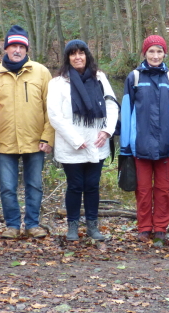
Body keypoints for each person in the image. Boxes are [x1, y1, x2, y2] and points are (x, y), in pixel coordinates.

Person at [0, 25, 54, 239]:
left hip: (35, 141)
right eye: (13, 46)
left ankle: (32, 224)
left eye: (21, 46)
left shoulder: (41, 72)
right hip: (4, 143)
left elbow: (51, 109)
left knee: (35, 185)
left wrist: (48, 137)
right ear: (6, 49)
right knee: (7, 187)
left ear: (27, 49)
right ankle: (12, 225)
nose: (17, 50)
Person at [48, 40, 119, 241]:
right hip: (71, 145)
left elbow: (112, 106)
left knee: (92, 186)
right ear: (67, 58)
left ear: (87, 55)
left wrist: (106, 131)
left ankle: (92, 226)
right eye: (73, 54)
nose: (77, 57)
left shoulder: (100, 78)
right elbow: (54, 115)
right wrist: (75, 139)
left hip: (97, 142)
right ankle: (72, 227)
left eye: (81, 53)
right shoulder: (58, 83)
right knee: (75, 185)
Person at [120, 35, 169, 244]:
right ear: (144, 53)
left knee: (164, 190)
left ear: (164, 53)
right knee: (143, 190)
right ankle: (144, 227)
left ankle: (160, 228)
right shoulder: (134, 78)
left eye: (159, 51)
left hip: (166, 146)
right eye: (151, 51)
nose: (155, 55)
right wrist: (126, 145)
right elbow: (127, 111)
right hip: (141, 146)